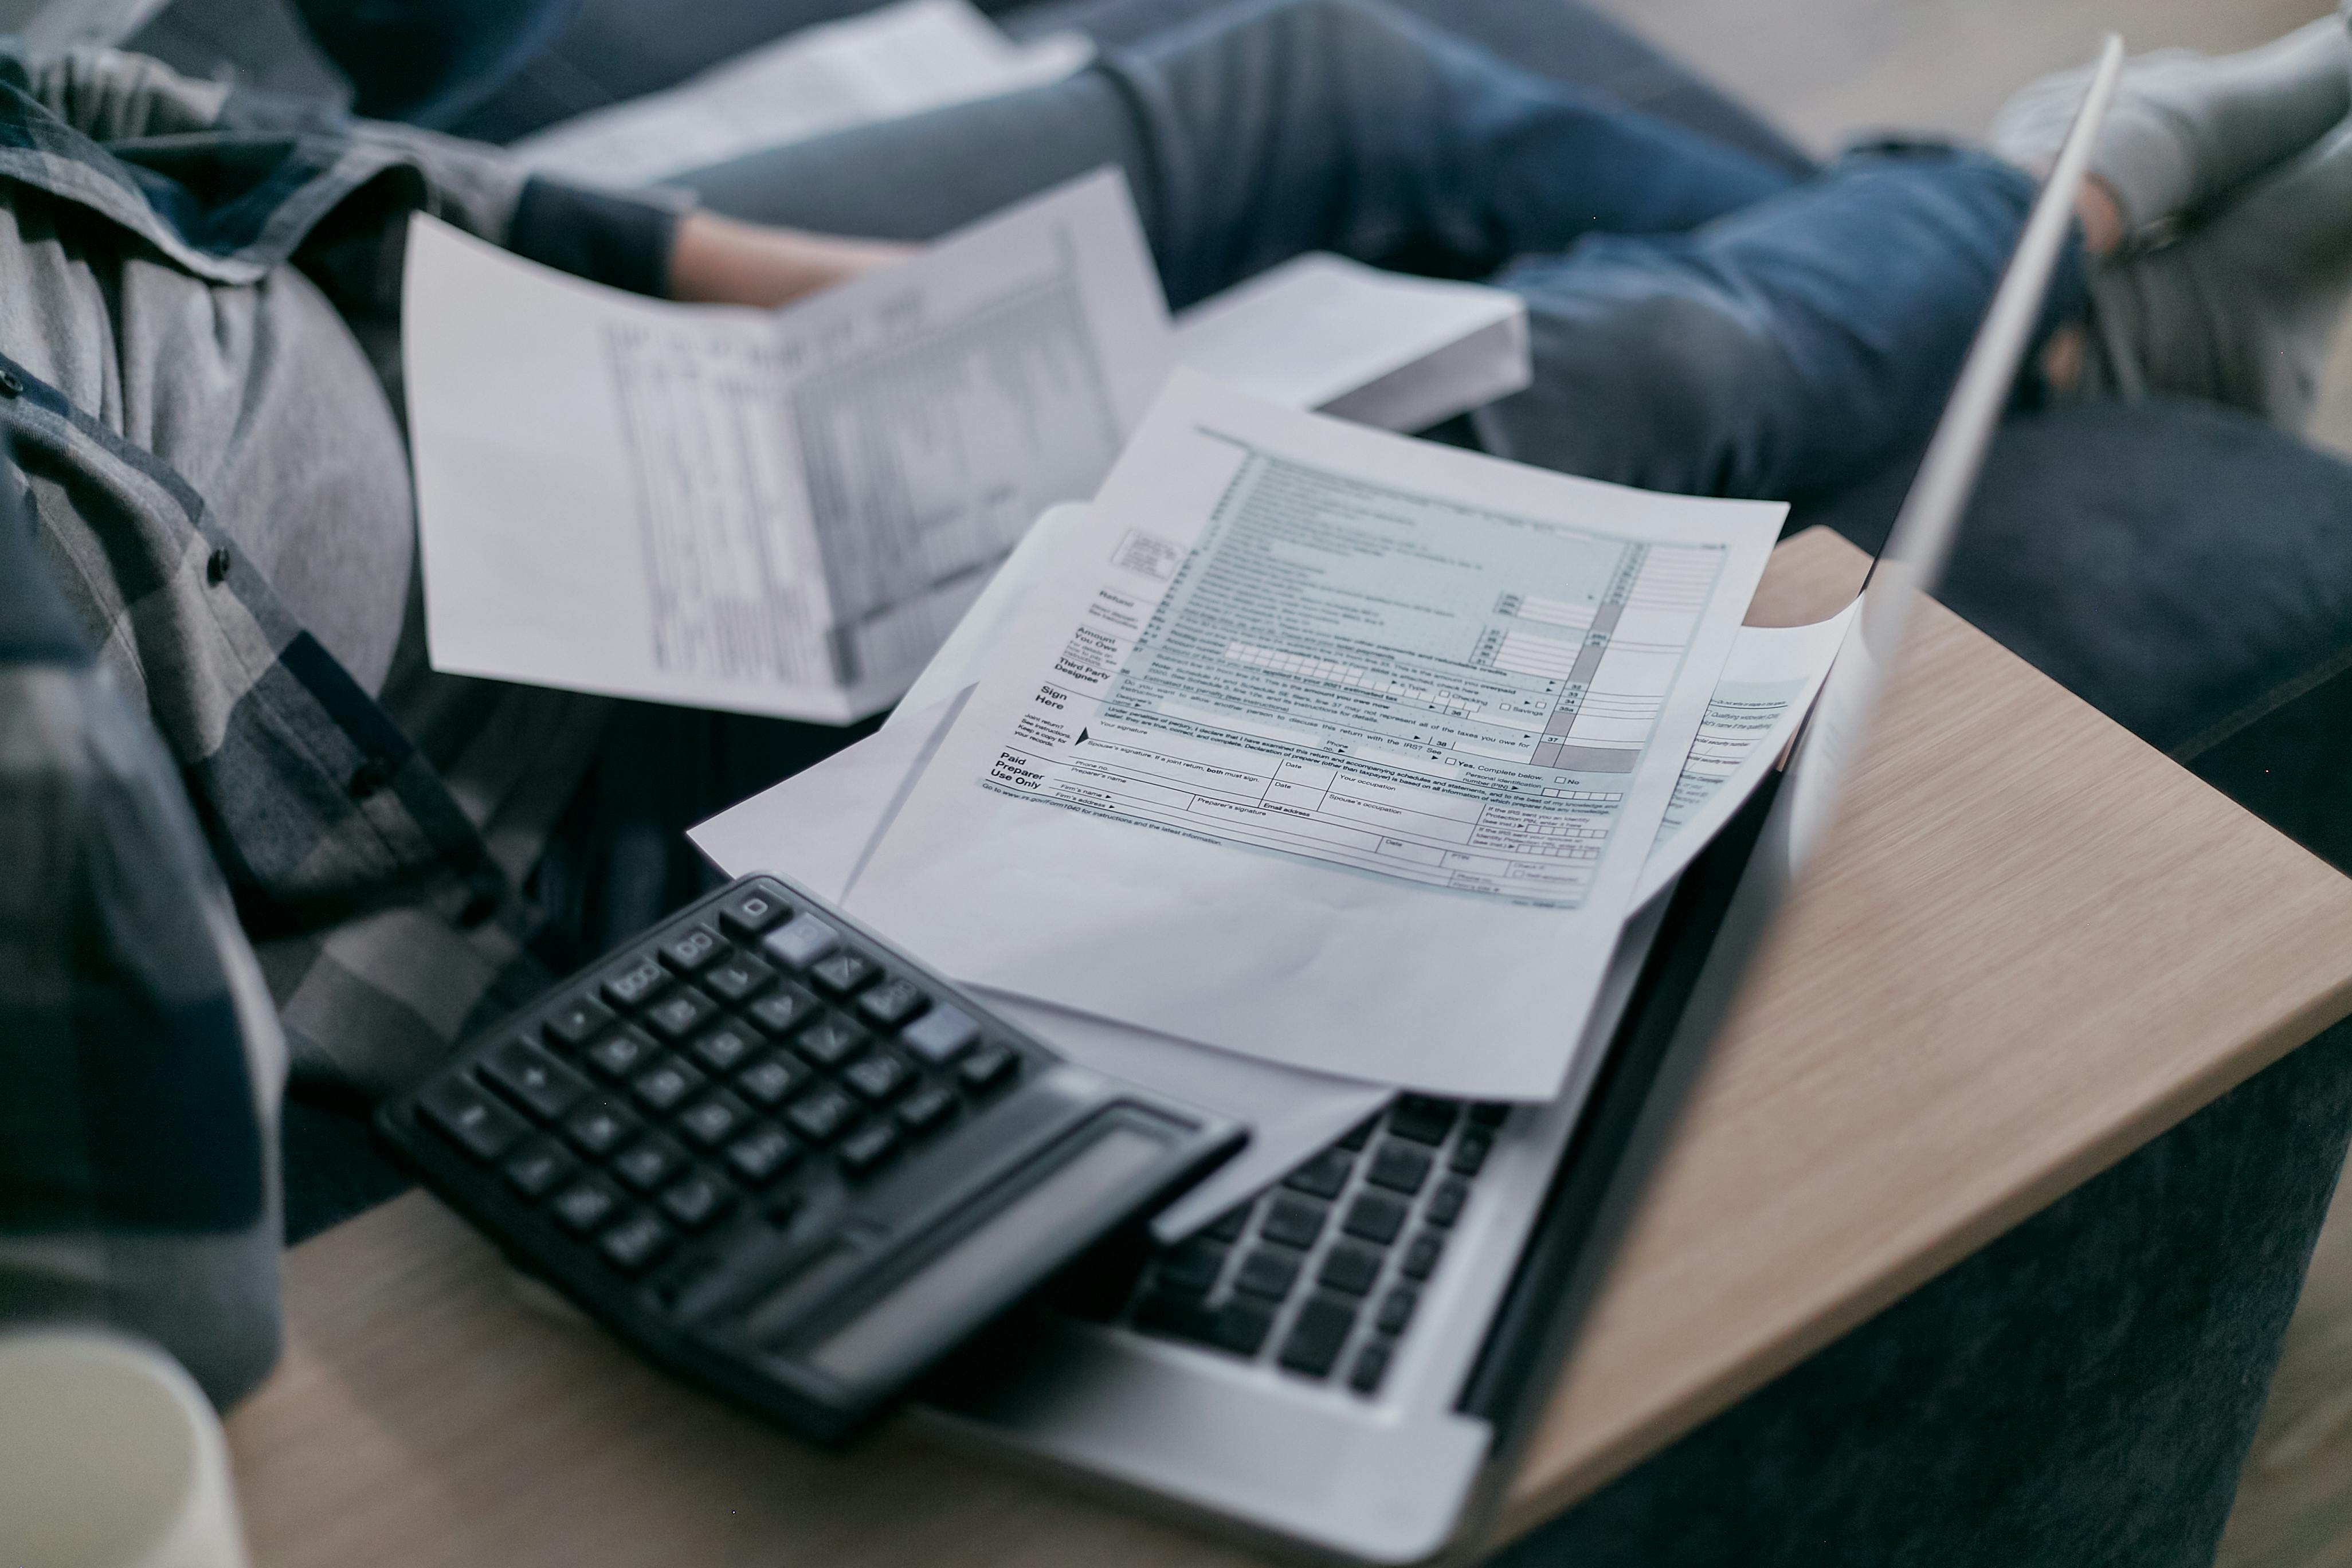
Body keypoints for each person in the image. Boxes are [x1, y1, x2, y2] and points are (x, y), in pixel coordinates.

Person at [6, 0, 2351, 1116]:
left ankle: (2048, 296)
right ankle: (2076, 221)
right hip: (533, 775)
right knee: (1594, 395)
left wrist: (714, 286)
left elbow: (113, 116)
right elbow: (191, 1189)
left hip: (504, 354)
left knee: (1310, 77)